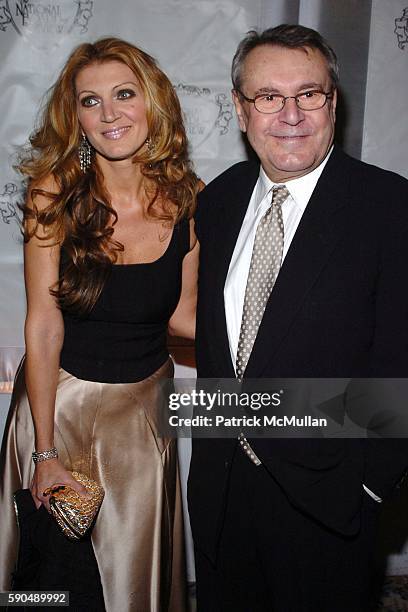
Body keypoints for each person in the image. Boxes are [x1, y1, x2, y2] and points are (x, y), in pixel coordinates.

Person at [188, 24, 408, 612]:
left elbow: (400, 357)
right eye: (269, 97)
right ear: (240, 109)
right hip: (220, 496)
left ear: (333, 102)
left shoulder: (389, 208)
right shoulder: (218, 200)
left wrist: (368, 484)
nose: (290, 114)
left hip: (330, 505)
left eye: (309, 94)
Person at [0, 37, 200, 611]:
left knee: (133, 578)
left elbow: (184, 314)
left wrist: (271, 337)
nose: (109, 113)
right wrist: (43, 452)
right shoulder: (53, 196)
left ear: (153, 102)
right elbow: (42, 324)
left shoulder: (191, 199)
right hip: (58, 409)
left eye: (123, 94)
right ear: (77, 119)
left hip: (142, 416)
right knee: (53, 584)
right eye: (91, 101)